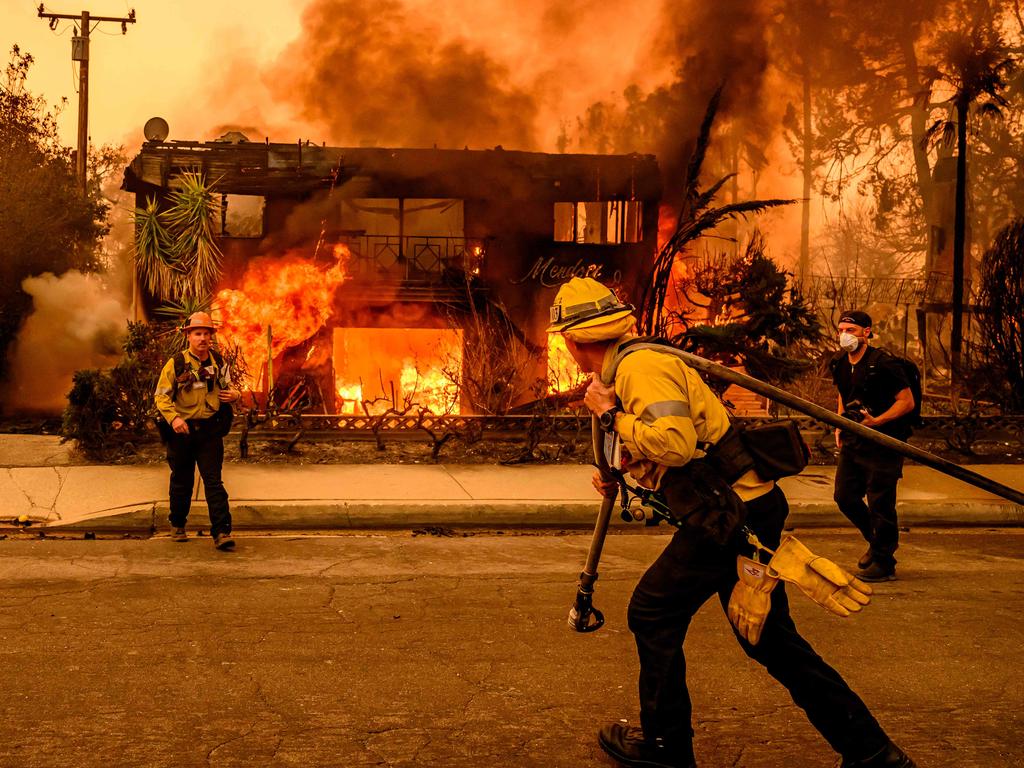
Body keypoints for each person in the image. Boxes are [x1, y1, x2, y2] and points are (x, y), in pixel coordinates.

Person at [548, 277, 915, 768]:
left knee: (652, 612)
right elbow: (672, 443)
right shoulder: (631, 367)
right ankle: (872, 753)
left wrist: (612, 415)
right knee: (771, 642)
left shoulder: (639, 369)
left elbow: (674, 443)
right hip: (739, 509)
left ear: (572, 342)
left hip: (728, 516)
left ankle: (666, 747)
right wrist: (620, 466)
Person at [830, 311, 915, 582]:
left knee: (881, 502)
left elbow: (906, 401)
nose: (845, 335)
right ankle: (877, 544)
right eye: (841, 329)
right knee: (845, 496)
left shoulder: (885, 364)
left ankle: (884, 562)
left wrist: (877, 421)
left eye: (851, 330)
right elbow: (844, 395)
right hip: (854, 441)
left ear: (866, 332)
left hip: (884, 442)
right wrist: (838, 424)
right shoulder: (840, 363)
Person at [154, 311, 241, 551]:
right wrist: (173, 419)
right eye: (198, 333)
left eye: (206, 333)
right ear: (188, 336)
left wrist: (235, 395)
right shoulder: (176, 364)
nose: (202, 338)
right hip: (182, 432)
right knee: (182, 480)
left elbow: (229, 387)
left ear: (211, 337)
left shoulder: (219, 362)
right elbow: (161, 397)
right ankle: (178, 524)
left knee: (213, 481)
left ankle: (222, 532)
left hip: (209, 432)